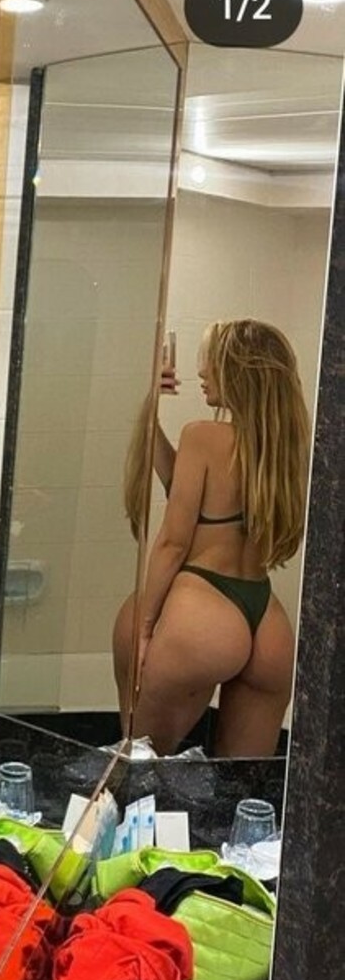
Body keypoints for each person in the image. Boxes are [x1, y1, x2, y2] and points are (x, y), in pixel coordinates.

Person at [113, 319, 309, 758]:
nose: (202, 372)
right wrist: (150, 410)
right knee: (239, 786)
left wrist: (146, 629)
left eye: (212, 362)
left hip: (201, 611)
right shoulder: (282, 448)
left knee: (141, 765)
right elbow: (183, 489)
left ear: (238, 371)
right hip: (267, 621)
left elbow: (173, 543)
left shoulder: (203, 436)